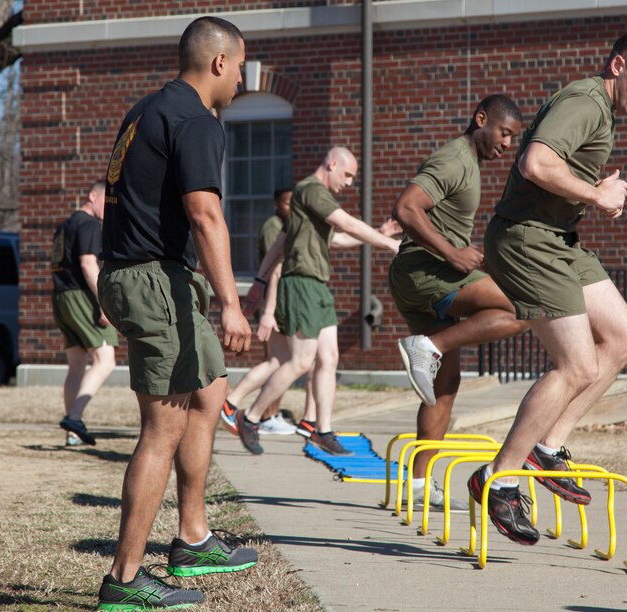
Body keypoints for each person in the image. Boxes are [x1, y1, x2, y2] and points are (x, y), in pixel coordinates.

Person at [468, 30, 627, 545]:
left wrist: (600, 191)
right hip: (527, 241)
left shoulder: (600, 112)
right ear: (618, 65)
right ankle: (500, 478)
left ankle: (548, 447)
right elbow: (534, 162)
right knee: (575, 364)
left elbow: (558, 171)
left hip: (559, 241)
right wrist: (598, 195)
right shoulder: (584, 100)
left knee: (625, 337)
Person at [93, 16, 258, 610]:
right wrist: (233, 305)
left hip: (139, 275)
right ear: (218, 62)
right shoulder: (197, 121)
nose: (242, 77)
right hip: (155, 279)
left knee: (211, 392)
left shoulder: (145, 111)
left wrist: (117, 282)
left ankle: (191, 538)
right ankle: (125, 580)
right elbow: (205, 214)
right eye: (241, 65)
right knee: (162, 429)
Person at [389, 95, 529, 507]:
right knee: (523, 307)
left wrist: (461, 248)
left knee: (445, 384)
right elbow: (406, 208)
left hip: (421, 275)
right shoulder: (454, 159)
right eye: (504, 133)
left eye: (513, 139)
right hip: (426, 270)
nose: (506, 145)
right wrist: (453, 254)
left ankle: (418, 483)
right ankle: (428, 346)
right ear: (480, 119)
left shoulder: (470, 165)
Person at [236, 147, 401, 456]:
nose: (350, 183)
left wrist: (258, 280)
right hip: (301, 285)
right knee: (299, 361)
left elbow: (313, 240)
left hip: (318, 287)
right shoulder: (311, 190)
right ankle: (250, 417)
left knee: (329, 357)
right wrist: (389, 244)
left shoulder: (305, 206)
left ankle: (321, 430)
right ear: (332, 163)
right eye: (348, 175)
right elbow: (348, 224)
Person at [219, 187, 304, 436]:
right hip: (274, 302)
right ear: (277, 204)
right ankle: (259, 414)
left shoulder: (294, 224)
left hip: (282, 301)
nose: (291, 207)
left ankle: (263, 413)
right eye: (287, 203)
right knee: (279, 362)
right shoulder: (274, 227)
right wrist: (268, 308)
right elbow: (274, 265)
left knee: (281, 362)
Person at [51, 180, 118, 447]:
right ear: (92, 196)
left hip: (61, 297)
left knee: (76, 365)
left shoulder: (63, 226)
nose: (109, 209)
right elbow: (89, 263)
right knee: (106, 360)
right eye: (106, 201)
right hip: (83, 297)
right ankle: (75, 419)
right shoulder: (90, 225)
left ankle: (72, 431)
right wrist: (104, 302)